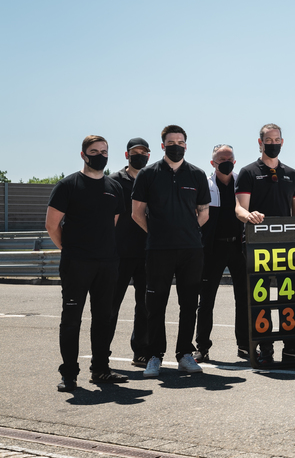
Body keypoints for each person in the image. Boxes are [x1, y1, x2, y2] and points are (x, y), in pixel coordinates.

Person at [45, 135, 127, 391]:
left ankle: (100, 370)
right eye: (94, 151)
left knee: (103, 317)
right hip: (76, 264)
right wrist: (69, 249)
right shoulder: (68, 185)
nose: (100, 155)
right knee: (72, 319)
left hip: (107, 263)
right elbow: (51, 224)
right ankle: (69, 374)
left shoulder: (114, 188)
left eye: (104, 151)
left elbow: (111, 223)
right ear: (83, 154)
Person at [131, 125, 211, 378]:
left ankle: (184, 354)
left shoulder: (197, 175)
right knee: (155, 304)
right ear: (163, 145)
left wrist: (186, 231)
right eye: (171, 142)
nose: (176, 145)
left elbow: (204, 212)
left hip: (191, 250)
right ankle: (154, 356)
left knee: (189, 304)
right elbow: (136, 213)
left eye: (180, 142)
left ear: (186, 145)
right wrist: (158, 233)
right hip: (158, 250)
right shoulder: (148, 174)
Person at [235, 123, 295, 364]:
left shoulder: (292, 174)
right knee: (261, 298)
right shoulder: (248, 172)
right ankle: (265, 349)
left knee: (289, 297)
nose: (273, 143)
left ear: (282, 142)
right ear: (260, 142)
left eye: (277, 139)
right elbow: (239, 208)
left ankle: (291, 347)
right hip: (257, 246)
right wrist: (249, 216)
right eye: (268, 140)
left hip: (287, 246)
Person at [195, 144, 249, 362]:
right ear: (212, 163)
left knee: (243, 299)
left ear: (235, 160)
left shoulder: (242, 182)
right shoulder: (204, 185)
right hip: (213, 250)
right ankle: (202, 347)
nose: (227, 163)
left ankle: (244, 345)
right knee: (206, 300)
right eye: (221, 160)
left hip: (239, 248)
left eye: (230, 158)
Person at [108, 137, 151, 369]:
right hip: (119, 253)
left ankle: (141, 351)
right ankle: (102, 351)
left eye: (144, 152)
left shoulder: (152, 180)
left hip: (146, 252)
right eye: (135, 152)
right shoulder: (114, 181)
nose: (140, 156)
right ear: (127, 155)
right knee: (111, 304)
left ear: (149, 156)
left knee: (144, 305)